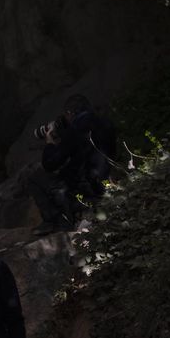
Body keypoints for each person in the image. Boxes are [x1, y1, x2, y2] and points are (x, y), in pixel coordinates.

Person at [26, 95, 117, 234]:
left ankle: (58, 221)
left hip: (85, 184)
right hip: (105, 178)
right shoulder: (106, 122)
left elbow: (50, 165)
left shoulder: (75, 129)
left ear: (69, 113)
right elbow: (84, 150)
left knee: (35, 178)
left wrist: (50, 142)